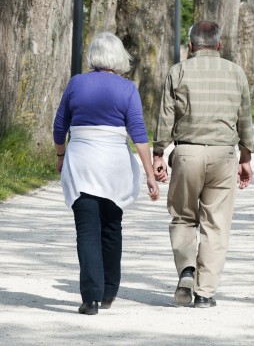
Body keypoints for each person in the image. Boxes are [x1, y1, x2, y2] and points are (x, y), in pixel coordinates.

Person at [53, 32, 160, 316]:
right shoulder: (127, 89)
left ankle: (90, 298)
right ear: (119, 58)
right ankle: (109, 291)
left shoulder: (77, 83)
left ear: (93, 57)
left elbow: (60, 125)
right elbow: (138, 133)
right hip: (114, 164)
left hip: (82, 161)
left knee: (87, 231)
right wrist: (149, 174)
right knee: (112, 228)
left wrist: (60, 156)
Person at [152, 20, 254, 308]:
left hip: (187, 154)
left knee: (183, 217)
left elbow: (165, 118)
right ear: (219, 44)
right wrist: (245, 158)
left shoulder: (178, 71)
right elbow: (245, 119)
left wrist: (159, 153)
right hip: (224, 156)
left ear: (191, 45)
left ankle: (187, 269)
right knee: (216, 224)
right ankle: (205, 293)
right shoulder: (236, 73)